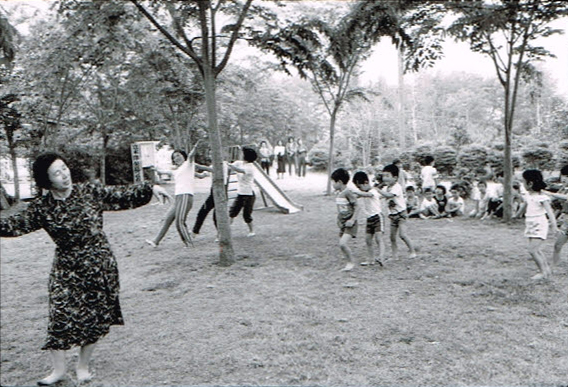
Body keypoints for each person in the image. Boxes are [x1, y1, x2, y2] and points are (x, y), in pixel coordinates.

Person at [0, 152, 169, 385]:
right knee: (59, 314)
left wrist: (150, 189)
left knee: (94, 317)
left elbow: (120, 194)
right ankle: (58, 371)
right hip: (66, 266)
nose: (64, 175)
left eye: (64, 168)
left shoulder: (88, 192)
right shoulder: (42, 207)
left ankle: (83, 366)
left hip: (98, 262)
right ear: (46, 180)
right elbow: (13, 225)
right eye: (56, 173)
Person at [146, 141, 204, 248]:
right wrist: (154, 169)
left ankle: (189, 244)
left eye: (178, 156)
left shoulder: (188, 164)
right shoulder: (177, 170)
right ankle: (155, 241)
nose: (176, 158)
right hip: (178, 198)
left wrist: (195, 147)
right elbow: (164, 172)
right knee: (167, 219)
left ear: (183, 156)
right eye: (174, 157)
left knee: (179, 222)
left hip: (186, 196)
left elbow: (191, 156)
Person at [518, 169, 558, 280]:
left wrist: (554, 226)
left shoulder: (542, 197)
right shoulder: (528, 195)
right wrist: (517, 215)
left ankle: (542, 272)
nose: (522, 184)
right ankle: (546, 270)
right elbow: (524, 206)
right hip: (530, 223)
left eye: (523, 181)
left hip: (539, 224)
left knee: (532, 250)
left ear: (530, 183)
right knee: (537, 249)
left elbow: (550, 212)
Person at [376, 164, 417, 259]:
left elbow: (389, 195)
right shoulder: (386, 188)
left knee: (402, 235)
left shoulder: (397, 187)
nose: (384, 178)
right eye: (383, 176)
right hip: (392, 216)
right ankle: (395, 256)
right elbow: (380, 196)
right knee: (392, 237)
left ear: (395, 177)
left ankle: (412, 251)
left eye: (387, 176)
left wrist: (378, 190)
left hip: (401, 214)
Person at [352, 171, 386, 266]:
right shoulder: (364, 192)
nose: (360, 189)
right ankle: (370, 259)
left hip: (377, 217)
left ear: (366, 182)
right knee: (368, 240)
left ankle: (381, 257)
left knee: (379, 238)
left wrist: (355, 191)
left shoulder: (372, 191)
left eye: (360, 186)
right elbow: (358, 196)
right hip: (369, 218)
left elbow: (367, 195)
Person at [191, 158, 230, 237]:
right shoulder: (213, 166)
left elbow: (212, 170)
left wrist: (196, 165)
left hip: (221, 192)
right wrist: (189, 172)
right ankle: (195, 231)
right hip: (213, 192)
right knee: (202, 212)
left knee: (216, 215)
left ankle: (220, 234)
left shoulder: (223, 165)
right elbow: (201, 176)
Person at [331, 168, 360, 271]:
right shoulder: (338, 193)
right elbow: (341, 209)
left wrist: (352, 220)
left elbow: (357, 206)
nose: (332, 184)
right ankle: (348, 261)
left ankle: (351, 262)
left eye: (333, 182)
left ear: (339, 182)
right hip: (343, 223)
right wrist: (339, 220)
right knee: (341, 244)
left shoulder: (348, 193)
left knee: (342, 243)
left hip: (350, 223)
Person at [228, 146, 258, 236]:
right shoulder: (240, 163)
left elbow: (239, 170)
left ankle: (252, 231)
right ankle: (226, 231)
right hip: (241, 193)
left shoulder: (250, 167)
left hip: (249, 193)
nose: (241, 155)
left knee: (246, 215)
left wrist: (230, 165)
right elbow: (234, 165)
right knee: (232, 212)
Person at [543, 165, 568, 270]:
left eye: (566, 177)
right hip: (566, 221)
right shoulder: (564, 189)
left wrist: (549, 193)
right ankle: (553, 266)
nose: (563, 179)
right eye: (563, 176)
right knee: (557, 245)